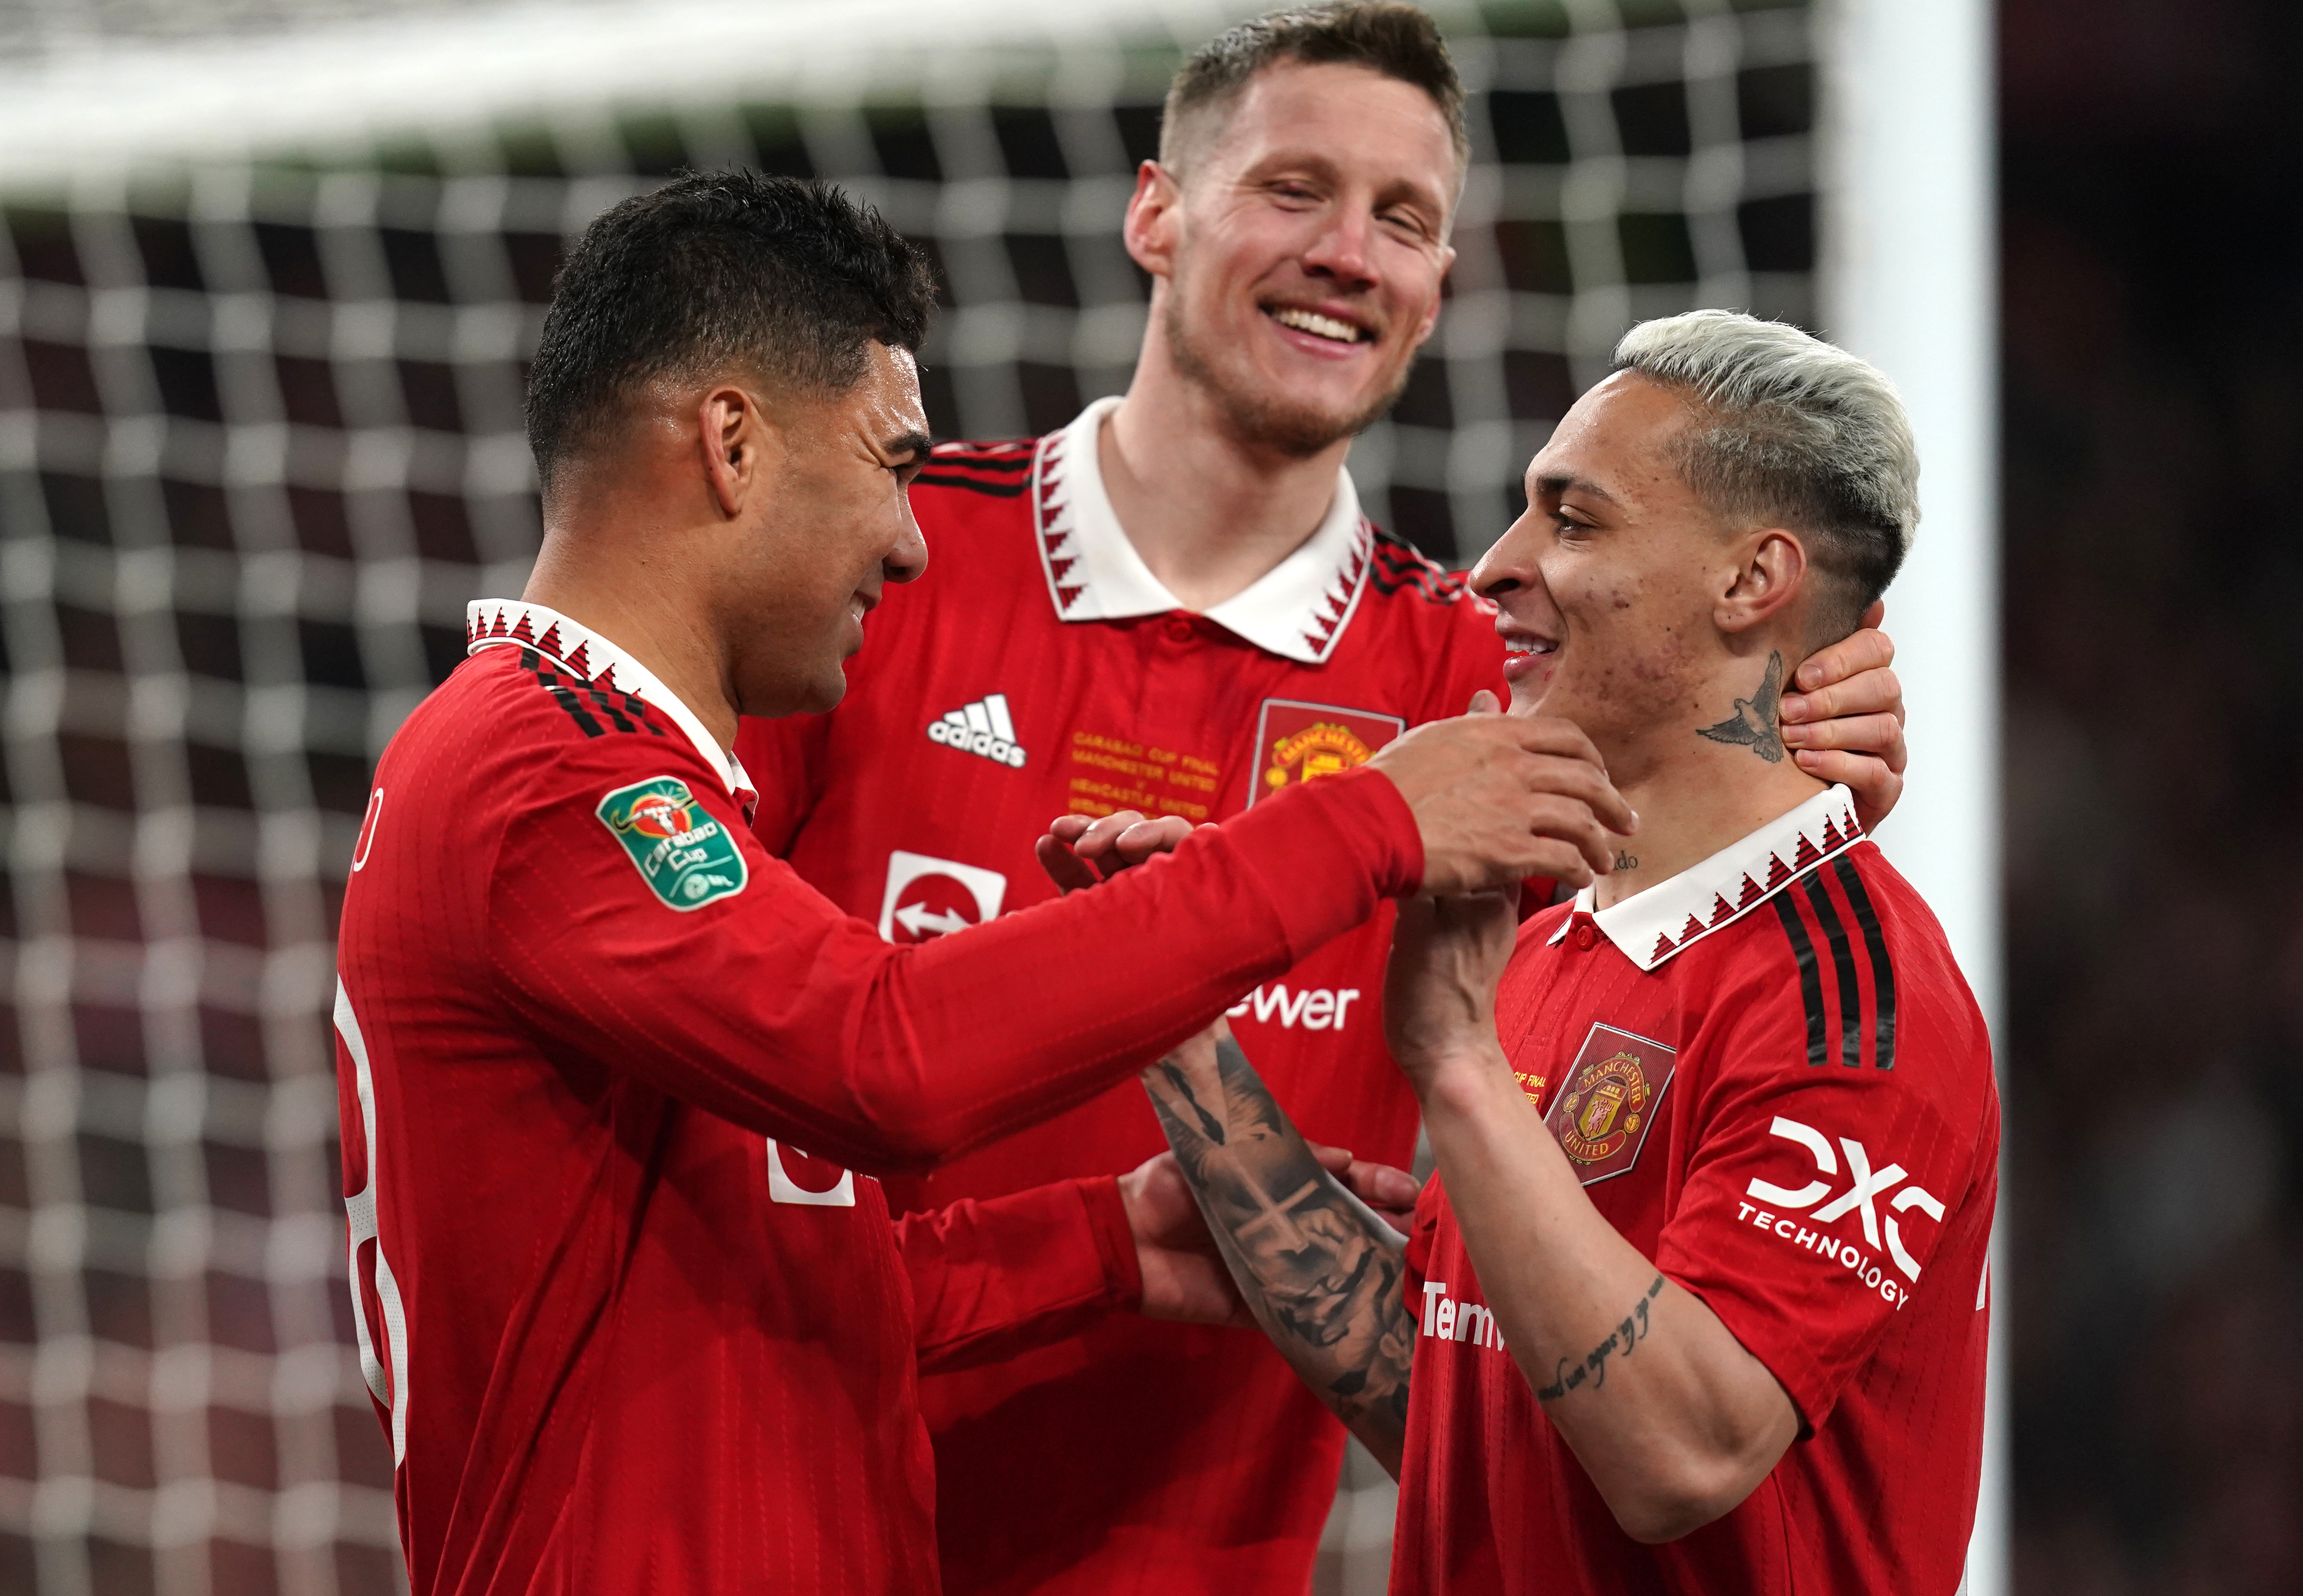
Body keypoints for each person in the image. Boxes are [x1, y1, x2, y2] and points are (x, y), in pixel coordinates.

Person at [734, 0, 1913, 1596]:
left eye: (1403, 219)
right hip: (774, 1524)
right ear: (1156, 209)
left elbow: (1716, 902)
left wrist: (1802, 711)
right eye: (1293, 191)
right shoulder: (876, 569)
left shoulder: (1482, 684)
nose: (1348, 253)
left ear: (1437, 287)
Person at [330, 171, 1633, 1594]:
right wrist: (1361, 823)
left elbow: (776, 1276)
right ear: (731, 445)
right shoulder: (551, 775)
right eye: (890, 462)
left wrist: (1101, 1241)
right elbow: (882, 1055)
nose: (908, 537)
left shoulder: (593, 766)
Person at [1146, 310, 1997, 1595]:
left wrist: (1457, 1067)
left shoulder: (1853, 1000)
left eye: (1574, 519)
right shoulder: (1554, 941)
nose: (1494, 566)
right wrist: (1185, 1041)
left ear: (1749, 582)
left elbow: (1682, 1455)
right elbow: (1461, 1411)